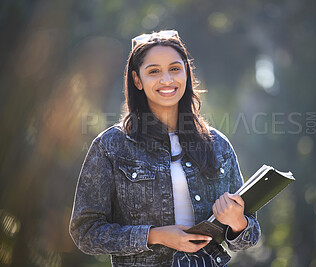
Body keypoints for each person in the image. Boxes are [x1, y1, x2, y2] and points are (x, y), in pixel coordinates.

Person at [69, 30, 260, 267]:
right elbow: (85, 232)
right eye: (154, 71)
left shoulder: (218, 145)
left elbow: (248, 237)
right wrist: (155, 236)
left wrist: (238, 222)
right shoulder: (111, 146)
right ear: (137, 80)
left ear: (187, 74)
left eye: (175, 69)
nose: (167, 80)